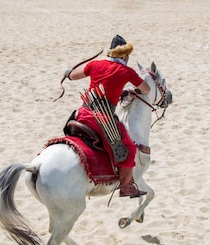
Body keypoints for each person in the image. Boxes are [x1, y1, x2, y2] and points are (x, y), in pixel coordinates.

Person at [64, 35, 150, 198]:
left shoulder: (95, 64)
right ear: (125, 55)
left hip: (83, 113)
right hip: (102, 119)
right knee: (129, 147)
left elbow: (74, 75)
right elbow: (145, 89)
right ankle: (126, 186)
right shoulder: (126, 71)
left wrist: (68, 73)